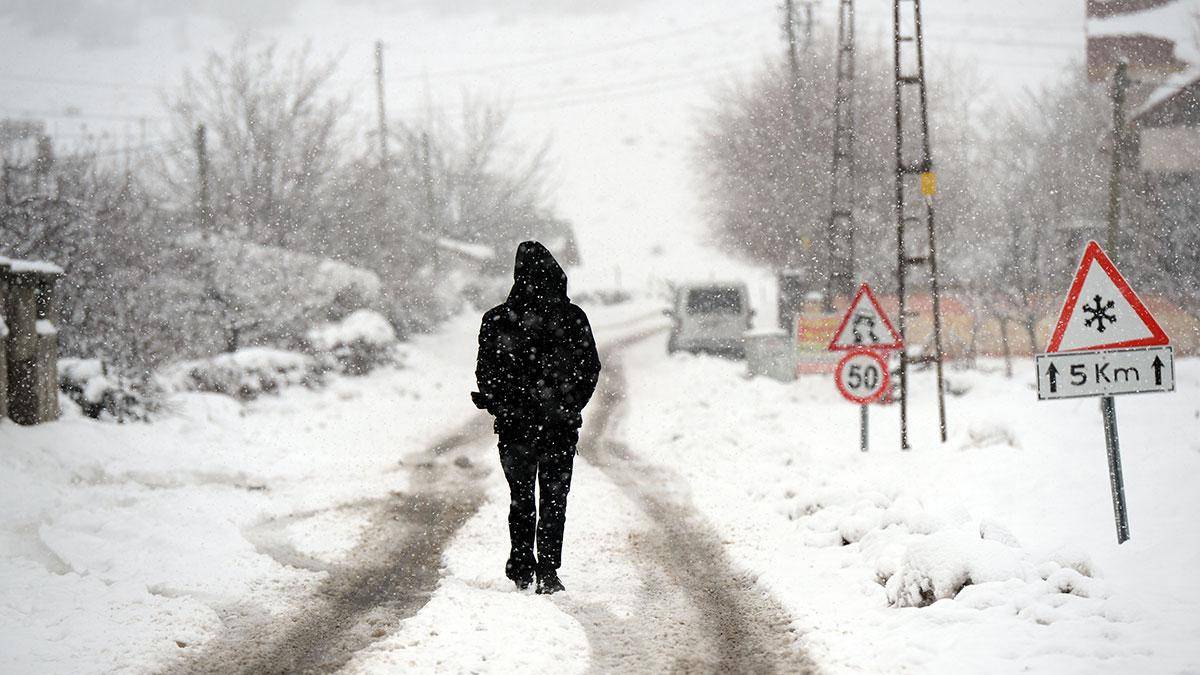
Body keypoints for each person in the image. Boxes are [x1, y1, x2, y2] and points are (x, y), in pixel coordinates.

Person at [472, 241, 601, 595]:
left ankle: (522, 564)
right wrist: (568, 404)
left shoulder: (498, 320)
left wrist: (507, 405)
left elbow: (487, 373)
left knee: (522, 499)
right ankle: (546, 568)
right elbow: (589, 369)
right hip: (557, 427)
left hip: (517, 429)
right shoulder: (572, 319)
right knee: (554, 501)